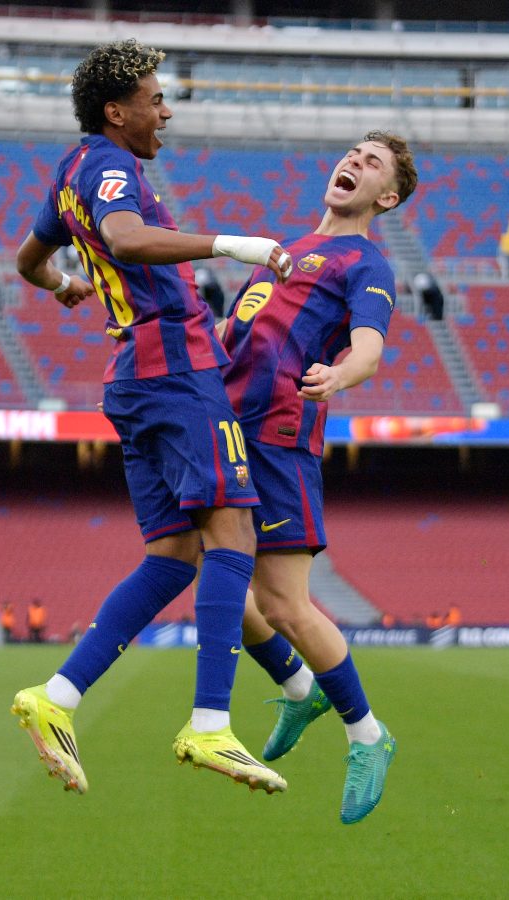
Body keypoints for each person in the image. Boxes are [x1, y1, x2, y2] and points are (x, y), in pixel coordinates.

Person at [9, 39, 294, 797]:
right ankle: (209, 726)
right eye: (156, 98)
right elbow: (129, 239)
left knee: (172, 553)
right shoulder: (111, 167)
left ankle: (56, 697)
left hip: (132, 376)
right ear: (117, 110)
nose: (165, 111)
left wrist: (67, 284)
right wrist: (235, 244)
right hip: (174, 368)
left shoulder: (68, 174)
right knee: (231, 530)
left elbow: (25, 262)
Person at [220, 131, 417, 824]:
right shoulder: (282, 251)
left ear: (385, 196)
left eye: (372, 164)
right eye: (352, 154)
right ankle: (301, 690)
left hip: (278, 441)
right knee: (202, 574)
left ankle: (368, 734)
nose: (353, 164)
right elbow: (231, 334)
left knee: (285, 607)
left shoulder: (365, 263)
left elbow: (369, 348)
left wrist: (339, 374)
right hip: (225, 432)